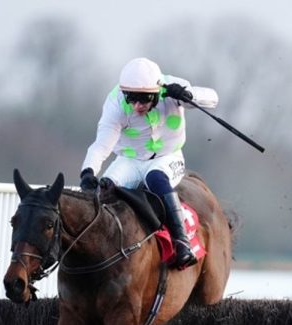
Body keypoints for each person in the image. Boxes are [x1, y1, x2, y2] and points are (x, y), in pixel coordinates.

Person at [79, 57, 219, 269]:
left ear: (156, 92)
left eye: (144, 99)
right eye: (132, 99)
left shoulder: (171, 88)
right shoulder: (115, 103)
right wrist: (87, 172)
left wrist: (188, 95)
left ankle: (182, 242)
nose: (137, 106)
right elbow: (101, 145)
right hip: (129, 160)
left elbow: (213, 98)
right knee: (105, 188)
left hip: (167, 157)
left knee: (155, 178)